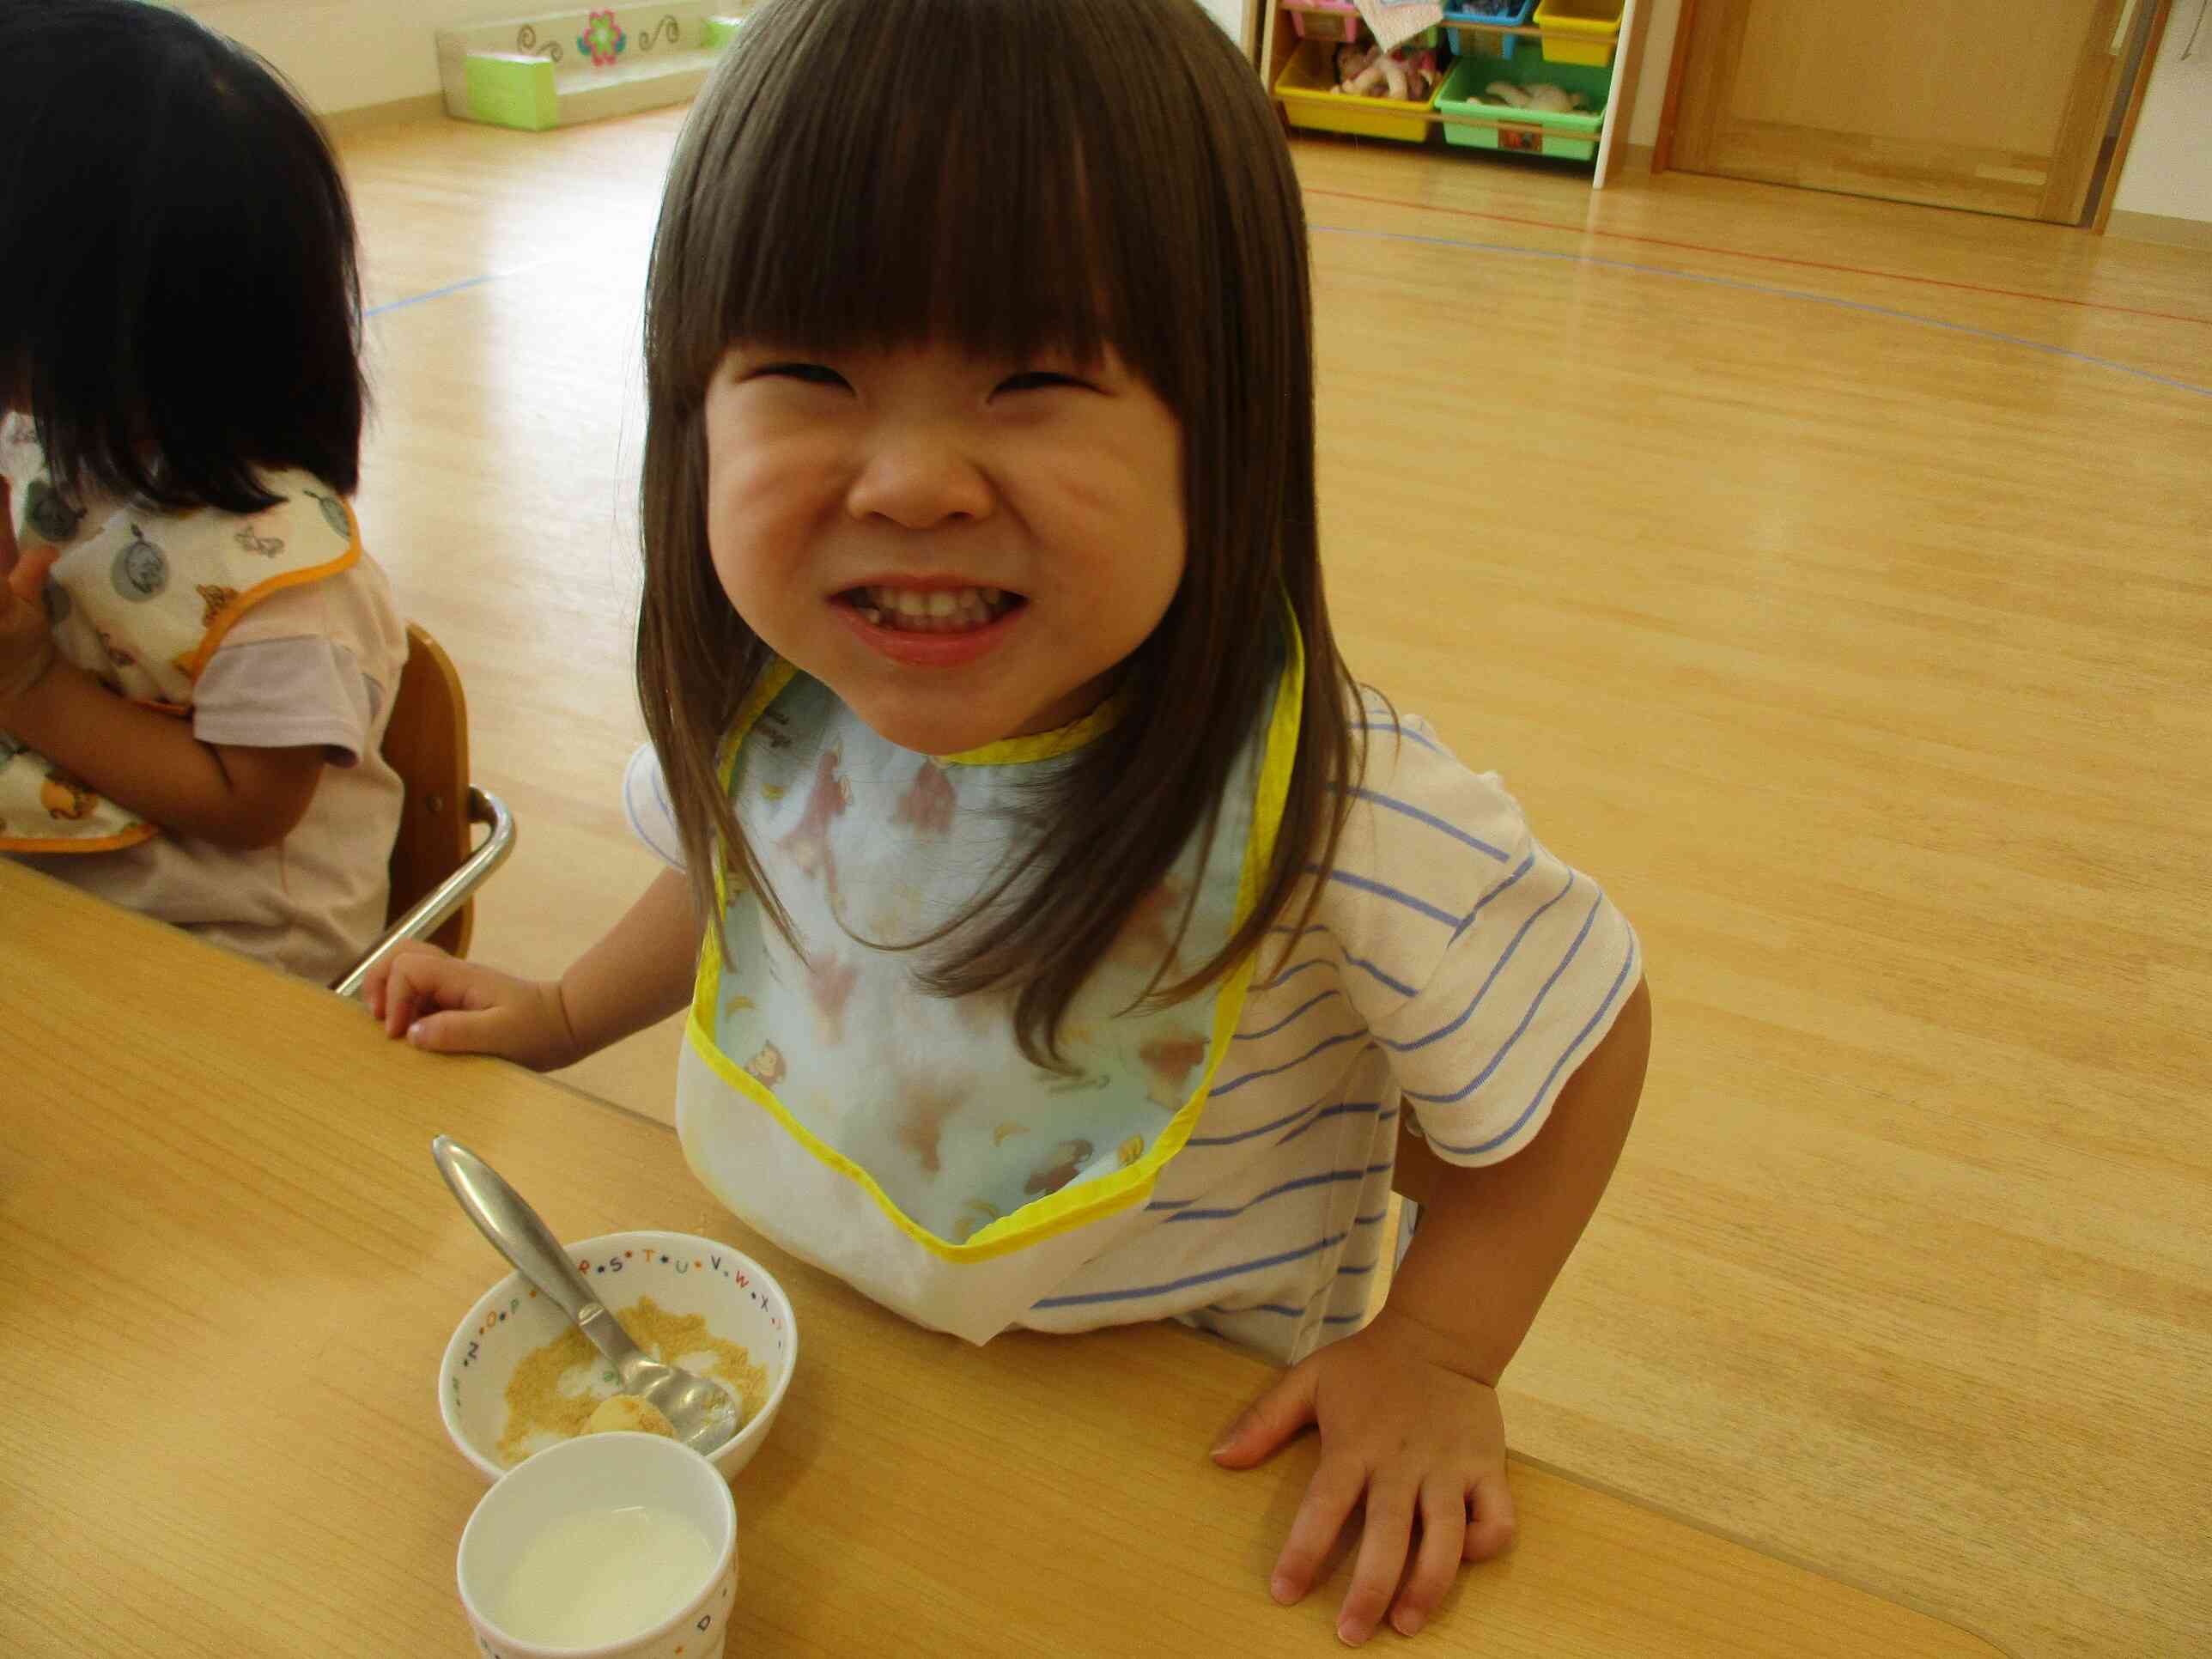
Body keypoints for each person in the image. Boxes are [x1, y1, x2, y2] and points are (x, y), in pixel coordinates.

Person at [367, 0, 1650, 1642]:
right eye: (809, 372)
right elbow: (741, 880)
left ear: (1227, 425)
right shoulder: (791, 701)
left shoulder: (1337, 803)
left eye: (1034, 375)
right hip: (829, 1372)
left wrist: (1442, 1348)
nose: (910, 480)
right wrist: (554, 1013)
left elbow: (1591, 1035)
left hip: (1177, 1463)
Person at [0, 0, 406, 986]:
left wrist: (28, 685)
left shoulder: (280, 582)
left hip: (231, 962)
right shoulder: (47, 432)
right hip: (64, 892)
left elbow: (248, 806)